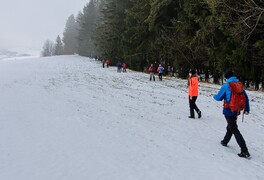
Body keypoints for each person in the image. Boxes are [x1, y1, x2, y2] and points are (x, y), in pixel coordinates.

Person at [213, 70, 250, 158]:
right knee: (231, 125)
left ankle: (244, 151)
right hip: (236, 110)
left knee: (234, 129)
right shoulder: (239, 85)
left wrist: (214, 96)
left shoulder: (226, 86)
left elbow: (218, 98)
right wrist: (247, 109)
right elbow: (246, 98)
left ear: (226, 78)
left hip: (228, 110)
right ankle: (225, 141)